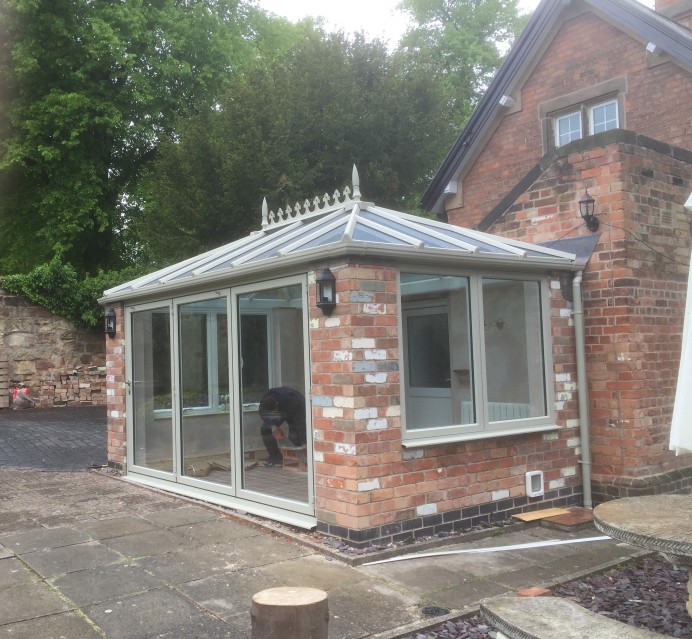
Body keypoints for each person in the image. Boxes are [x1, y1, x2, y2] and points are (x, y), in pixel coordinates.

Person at [258, 387, 307, 467]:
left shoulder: (291, 400)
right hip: (282, 408)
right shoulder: (264, 402)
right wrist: (273, 426)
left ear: (277, 404)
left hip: (297, 407)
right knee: (265, 429)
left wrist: (303, 440)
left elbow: (299, 422)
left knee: (293, 436)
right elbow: (263, 414)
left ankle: (304, 458)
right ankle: (276, 458)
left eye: (274, 411)